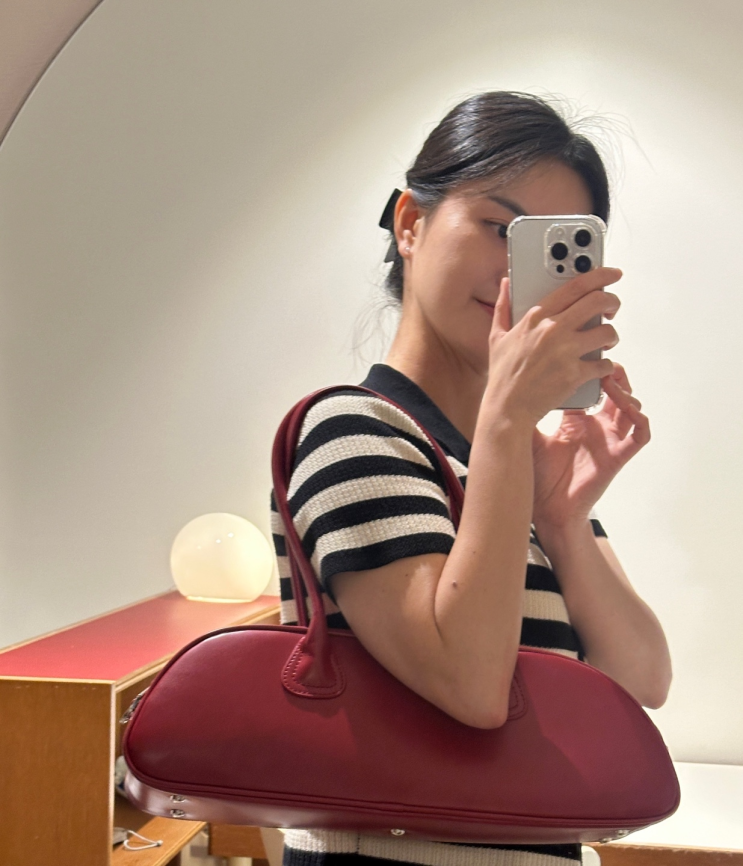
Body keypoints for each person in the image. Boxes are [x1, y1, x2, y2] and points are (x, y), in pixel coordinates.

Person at [270, 90, 672, 866]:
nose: (514, 273)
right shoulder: (351, 429)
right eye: (498, 227)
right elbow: (470, 685)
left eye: (548, 248)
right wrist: (505, 426)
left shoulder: (516, 464)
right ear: (410, 224)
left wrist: (562, 522)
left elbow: (641, 680)